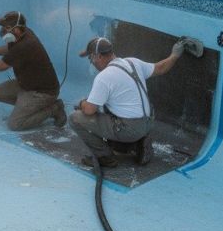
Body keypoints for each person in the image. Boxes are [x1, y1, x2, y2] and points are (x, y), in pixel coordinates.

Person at [69, 36, 187, 168]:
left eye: (91, 58)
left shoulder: (104, 77)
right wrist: (175, 54)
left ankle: (105, 157)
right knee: (109, 107)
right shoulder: (133, 62)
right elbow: (161, 68)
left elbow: (90, 110)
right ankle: (138, 144)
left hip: (129, 128)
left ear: (98, 56)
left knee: (75, 118)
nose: (91, 62)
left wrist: (81, 103)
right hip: (148, 122)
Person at [0, 11, 66, 131]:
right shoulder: (24, 34)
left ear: (18, 29)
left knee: (15, 124)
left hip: (43, 92)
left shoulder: (26, 45)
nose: (4, 30)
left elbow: (0, 66)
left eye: (7, 27)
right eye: (3, 26)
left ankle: (54, 108)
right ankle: (29, 107)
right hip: (26, 84)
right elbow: (9, 49)